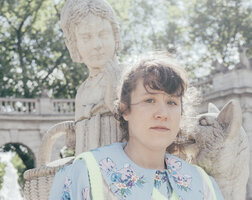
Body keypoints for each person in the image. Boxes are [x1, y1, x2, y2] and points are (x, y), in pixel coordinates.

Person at [49, 53, 224, 200]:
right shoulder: (85, 172)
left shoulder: (203, 185)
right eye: (149, 100)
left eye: (172, 102)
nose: (162, 113)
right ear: (125, 110)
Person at [60, 0, 123, 154]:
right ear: (73, 44)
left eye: (103, 34)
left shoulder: (128, 76)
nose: (97, 44)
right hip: (87, 168)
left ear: (115, 35)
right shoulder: (83, 90)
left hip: (119, 167)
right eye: (86, 37)